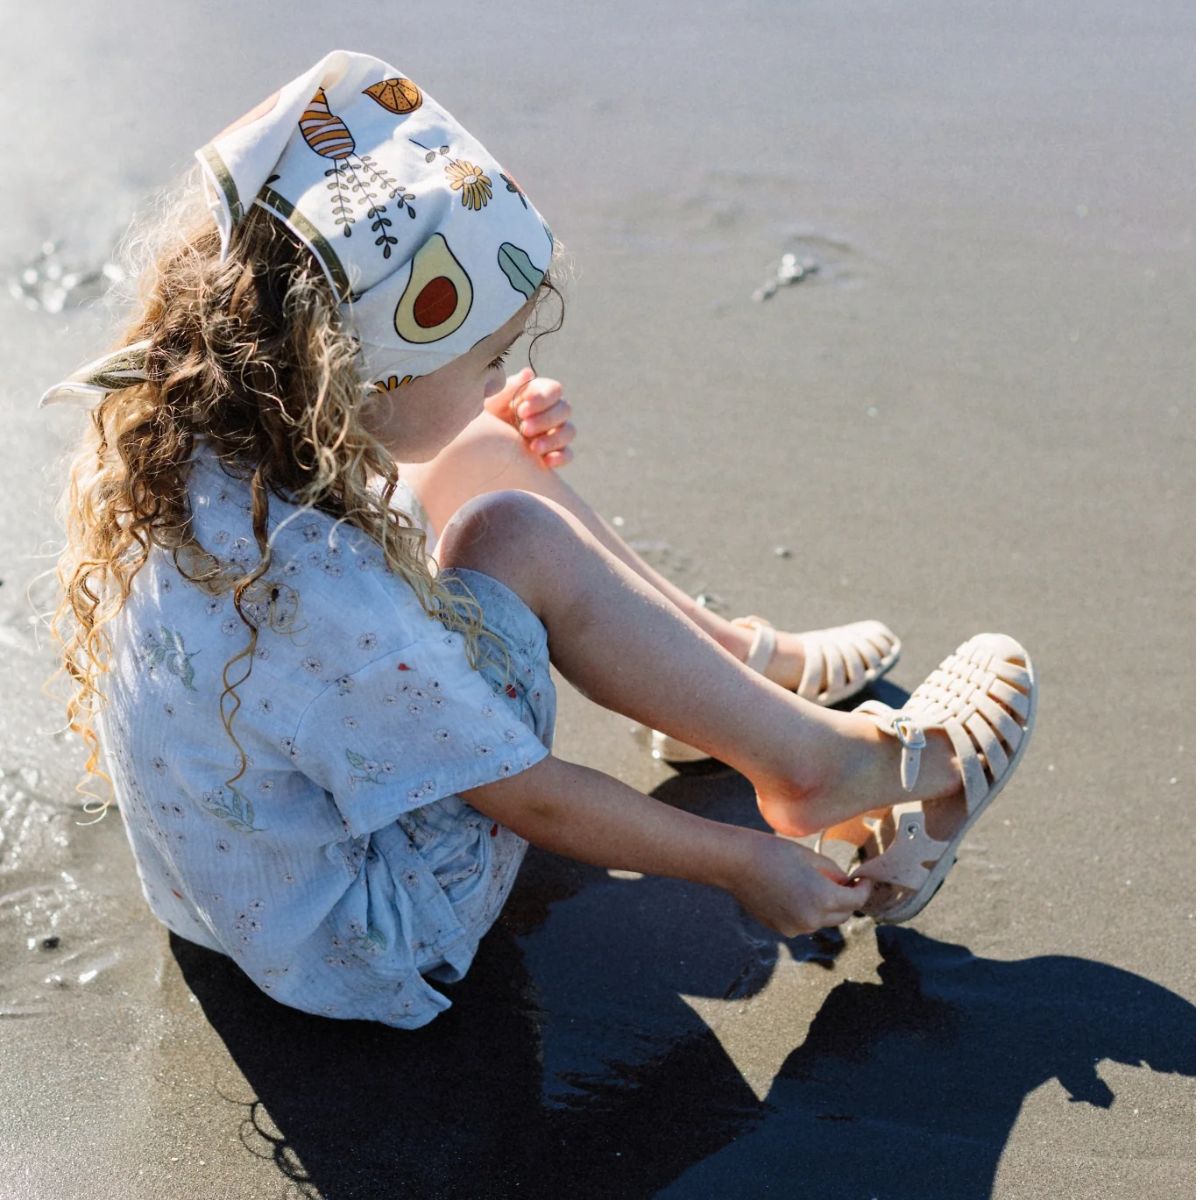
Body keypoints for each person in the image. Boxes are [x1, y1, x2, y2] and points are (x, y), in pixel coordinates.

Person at [42, 50, 1036, 1028]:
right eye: (486, 358)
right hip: (372, 935)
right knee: (512, 530)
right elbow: (535, 802)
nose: (497, 376)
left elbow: (378, 491)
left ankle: (723, 679)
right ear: (359, 380)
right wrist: (737, 864)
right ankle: (827, 766)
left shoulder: (183, 438)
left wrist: (478, 425)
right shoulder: (318, 605)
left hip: (237, 895)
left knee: (474, 458)